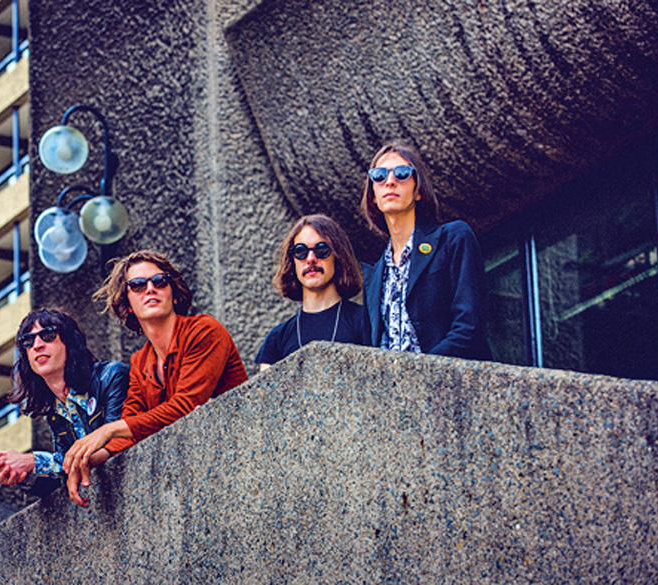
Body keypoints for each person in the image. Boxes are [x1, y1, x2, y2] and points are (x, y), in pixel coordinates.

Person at [61, 250, 248, 507]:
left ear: (174, 293)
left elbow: (185, 407)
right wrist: (86, 459)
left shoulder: (204, 330)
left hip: (238, 454)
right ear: (127, 304)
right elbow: (132, 428)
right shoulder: (140, 361)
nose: (150, 289)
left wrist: (107, 429)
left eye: (160, 281)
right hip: (194, 475)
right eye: (138, 285)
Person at [359, 141, 491, 359]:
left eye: (402, 173)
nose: (390, 181)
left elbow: (470, 325)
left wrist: (422, 370)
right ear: (373, 196)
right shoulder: (374, 277)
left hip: (448, 375)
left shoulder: (453, 238)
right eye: (379, 176)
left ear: (418, 191)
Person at [0, 308, 129, 497]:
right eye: (28, 341)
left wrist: (34, 461)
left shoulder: (111, 376)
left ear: (69, 342)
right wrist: (21, 474)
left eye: (48, 335)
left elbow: (118, 443)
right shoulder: (55, 407)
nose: (37, 345)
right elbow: (65, 471)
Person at [256, 214, 370, 371]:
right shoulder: (277, 339)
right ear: (293, 262)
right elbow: (265, 387)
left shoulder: (366, 322)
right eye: (300, 251)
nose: (310, 258)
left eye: (321, 249)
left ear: (338, 256)